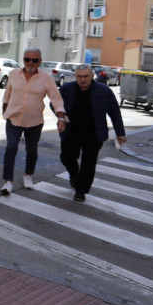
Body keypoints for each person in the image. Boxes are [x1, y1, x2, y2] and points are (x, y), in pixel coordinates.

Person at [0, 48, 66, 195]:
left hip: (34, 121)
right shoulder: (13, 74)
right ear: (23, 59)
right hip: (14, 118)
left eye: (34, 60)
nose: (30, 62)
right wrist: (4, 109)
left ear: (40, 61)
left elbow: (56, 99)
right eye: (27, 59)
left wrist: (61, 117)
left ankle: (28, 175)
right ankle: (8, 181)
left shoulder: (46, 78)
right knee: (11, 147)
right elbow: (7, 94)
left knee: (31, 149)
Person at [58, 64, 127, 202]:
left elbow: (114, 112)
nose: (82, 80)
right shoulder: (66, 89)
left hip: (94, 133)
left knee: (88, 164)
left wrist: (120, 133)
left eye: (86, 76)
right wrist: (61, 116)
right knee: (66, 157)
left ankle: (80, 191)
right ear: (75, 76)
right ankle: (74, 175)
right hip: (72, 131)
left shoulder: (104, 91)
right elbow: (55, 104)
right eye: (79, 76)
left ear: (92, 76)